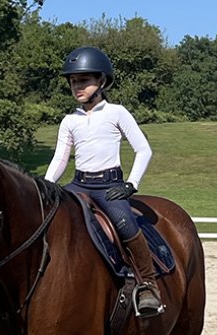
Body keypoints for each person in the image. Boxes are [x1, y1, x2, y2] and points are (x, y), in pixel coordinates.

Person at [44, 46, 161, 318]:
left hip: (110, 187)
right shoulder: (68, 121)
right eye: (74, 81)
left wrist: (131, 184)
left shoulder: (117, 113)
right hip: (79, 184)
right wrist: (47, 185)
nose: (77, 86)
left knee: (125, 223)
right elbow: (61, 159)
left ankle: (147, 284)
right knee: (50, 218)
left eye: (84, 80)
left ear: (102, 81)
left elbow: (144, 149)